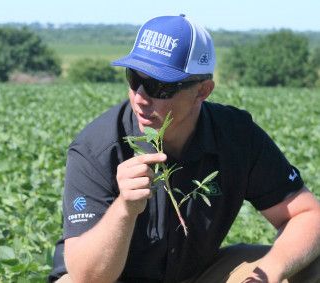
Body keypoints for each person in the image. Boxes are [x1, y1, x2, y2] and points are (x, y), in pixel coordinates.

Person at [49, 14, 320, 283]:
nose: (141, 98)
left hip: (195, 275)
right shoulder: (96, 148)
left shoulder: (236, 136)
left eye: (158, 86)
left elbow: (307, 215)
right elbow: (87, 277)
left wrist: (269, 273)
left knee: (308, 264)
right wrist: (124, 209)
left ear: (202, 91)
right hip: (105, 278)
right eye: (134, 79)